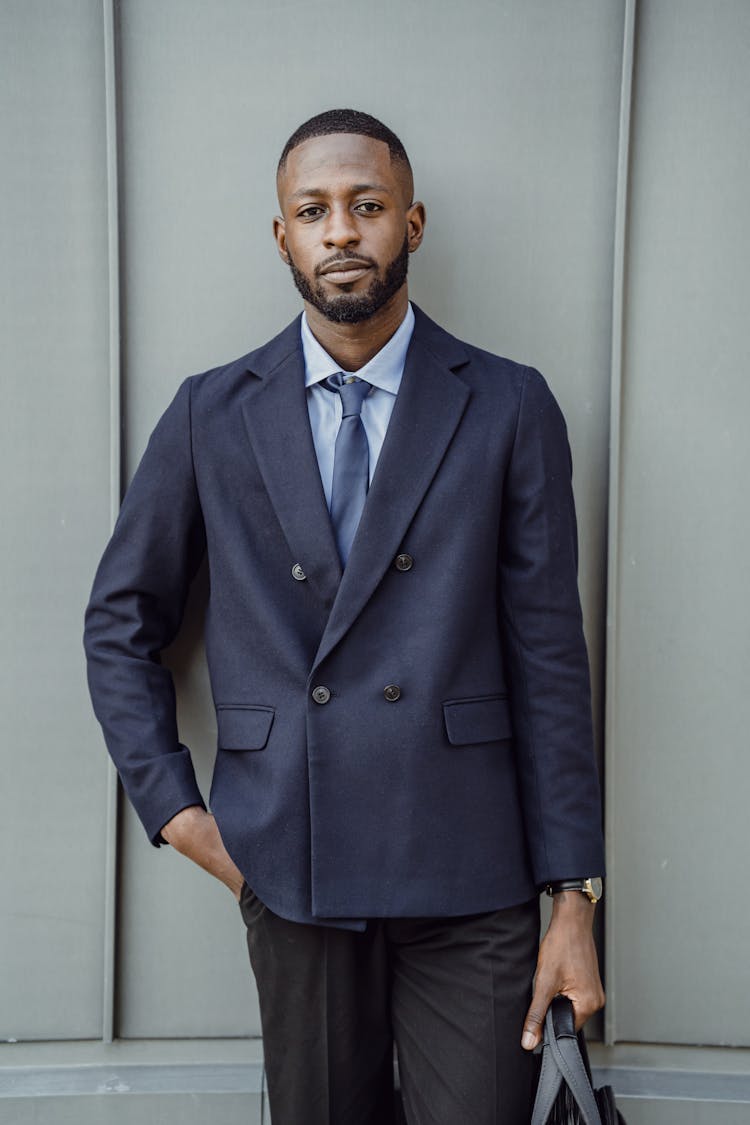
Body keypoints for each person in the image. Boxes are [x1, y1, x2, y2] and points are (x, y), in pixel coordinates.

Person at [84, 108, 606, 1125]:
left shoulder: (506, 404)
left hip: (473, 870)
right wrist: (180, 816)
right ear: (282, 236)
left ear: (411, 225)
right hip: (290, 863)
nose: (341, 232)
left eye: (366, 207)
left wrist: (573, 899)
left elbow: (550, 660)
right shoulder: (210, 413)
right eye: (313, 211)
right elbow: (120, 623)